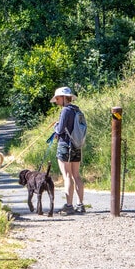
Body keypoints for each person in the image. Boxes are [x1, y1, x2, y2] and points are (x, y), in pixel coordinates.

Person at [51, 86, 85, 215]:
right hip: (77, 145)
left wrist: (56, 126)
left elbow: (60, 130)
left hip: (65, 145)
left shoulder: (65, 110)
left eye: (58, 98)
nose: (56, 101)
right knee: (76, 175)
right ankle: (80, 204)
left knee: (67, 176)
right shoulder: (77, 110)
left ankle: (69, 205)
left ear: (64, 98)